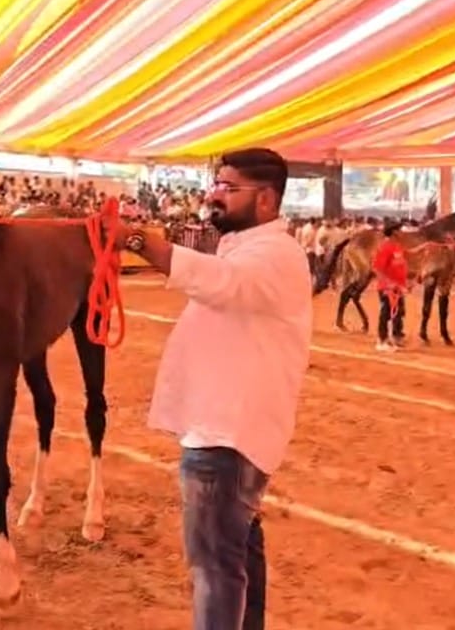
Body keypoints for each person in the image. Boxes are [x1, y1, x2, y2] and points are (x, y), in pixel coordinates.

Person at [114, 147, 311, 630]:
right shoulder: (248, 248)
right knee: (237, 552)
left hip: (228, 436)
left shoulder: (276, 254)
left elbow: (221, 283)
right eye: (216, 185)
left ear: (265, 200)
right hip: (223, 430)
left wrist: (138, 238)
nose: (213, 196)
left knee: (215, 568)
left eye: (227, 188)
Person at [372, 223, 409, 352]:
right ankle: (381, 340)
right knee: (386, 313)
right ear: (394, 232)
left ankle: (395, 336)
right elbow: (377, 268)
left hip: (398, 287)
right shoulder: (385, 247)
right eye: (399, 230)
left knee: (398, 313)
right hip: (387, 287)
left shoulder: (397, 247)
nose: (402, 232)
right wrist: (388, 283)